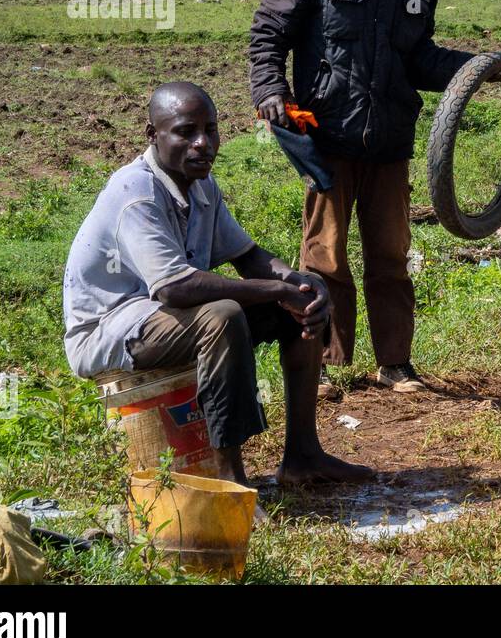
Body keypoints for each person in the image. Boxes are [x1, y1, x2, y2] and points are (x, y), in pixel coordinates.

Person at [62, 82, 370, 486]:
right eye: (186, 132)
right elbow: (176, 289)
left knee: (298, 306)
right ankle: (230, 481)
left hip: (162, 317)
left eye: (211, 130)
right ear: (152, 135)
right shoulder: (135, 191)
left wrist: (299, 284)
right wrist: (276, 290)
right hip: (108, 330)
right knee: (221, 317)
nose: (203, 143)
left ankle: (303, 456)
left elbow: (247, 256)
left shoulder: (201, 185)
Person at [250, 0, 483, 392]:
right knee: (324, 255)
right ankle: (324, 365)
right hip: (327, 137)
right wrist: (270, 92)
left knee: (391, 256)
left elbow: (418, 59)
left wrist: (477, 68)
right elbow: (269, 30)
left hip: (389, 141)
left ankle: (395, 364)